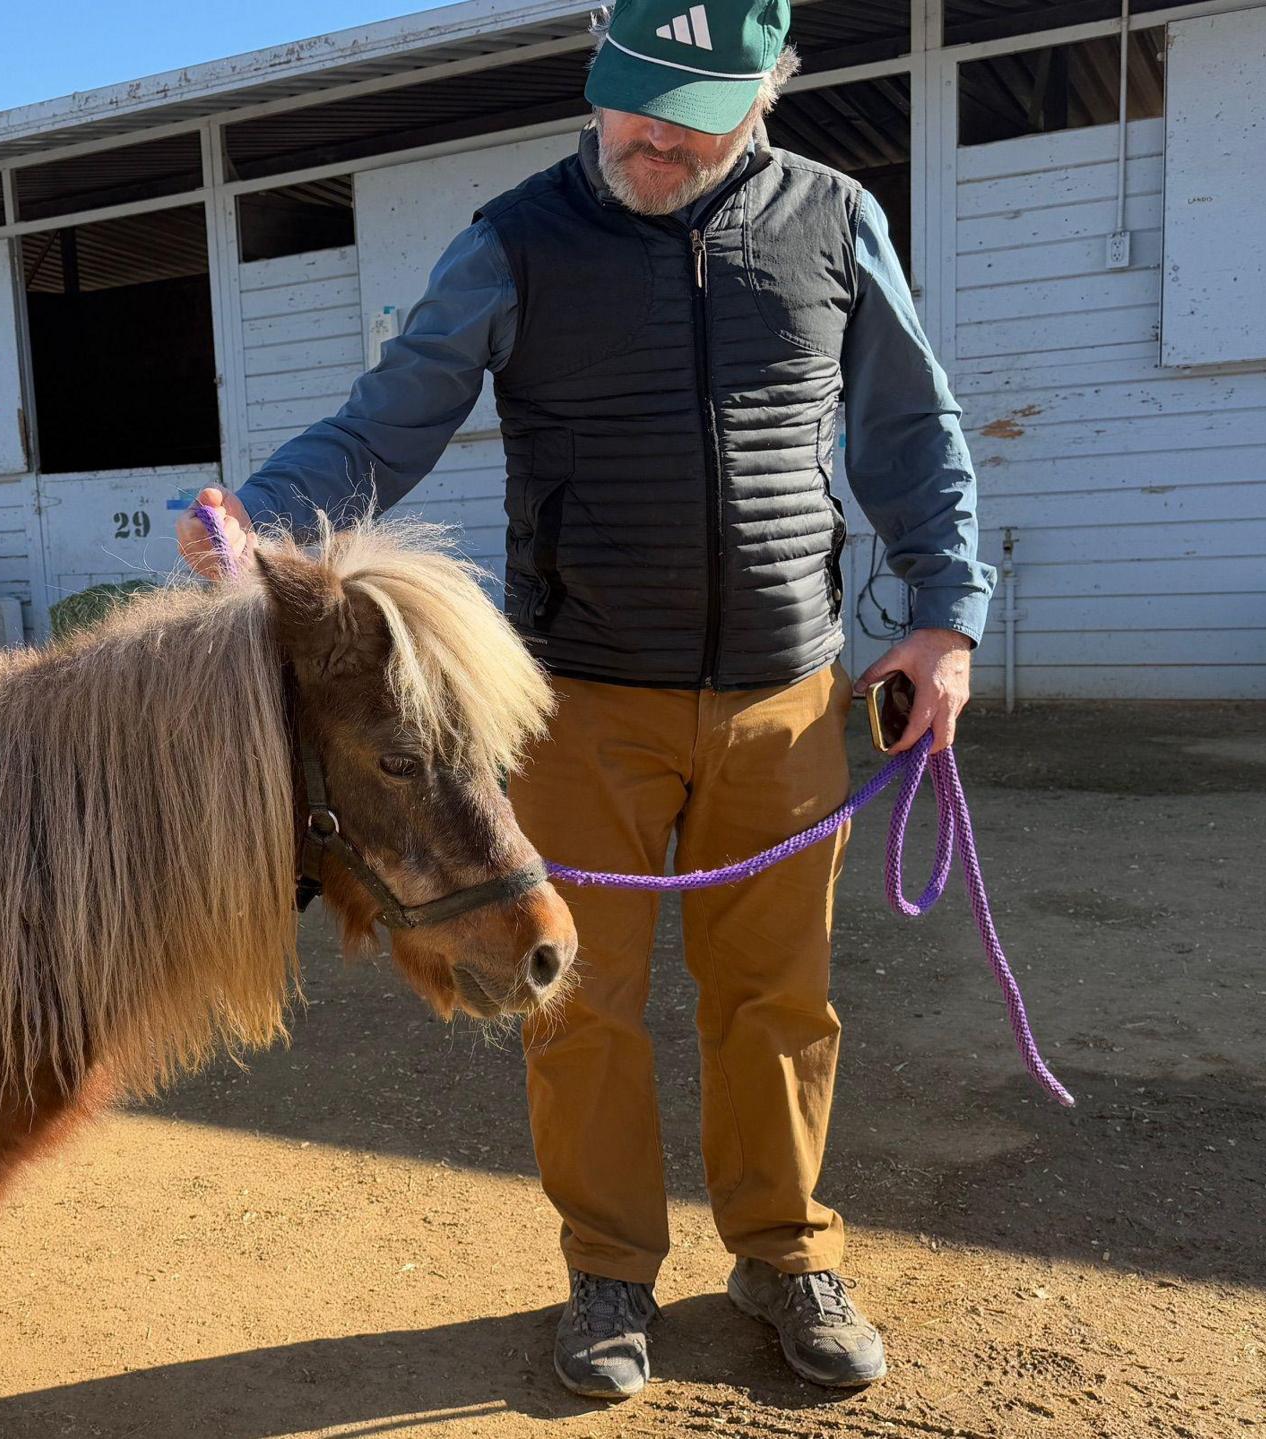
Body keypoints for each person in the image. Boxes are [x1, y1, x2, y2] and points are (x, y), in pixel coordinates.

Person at [177, 0, 994, 1401]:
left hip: (784, 698)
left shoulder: (834, 218)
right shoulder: (516, 237)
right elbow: (392, 416)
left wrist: (945, 617)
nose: (643, 140)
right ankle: (609, 1272)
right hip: (583, 701)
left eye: (683, 114)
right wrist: (257, 520)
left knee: (777, 998)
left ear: (764, 95)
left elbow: (910, 426)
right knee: (579, 999)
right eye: (624, 103)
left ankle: (786, 1253)